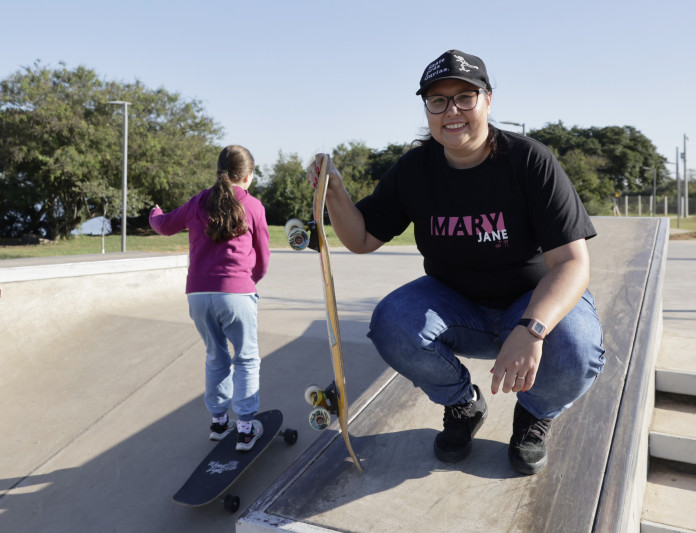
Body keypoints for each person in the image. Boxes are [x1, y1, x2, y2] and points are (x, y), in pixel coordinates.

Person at [307, 50, 606, 475]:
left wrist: (532, 329)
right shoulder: (414, 170)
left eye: (465, 97)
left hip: (529, 300)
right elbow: (362, 238)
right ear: (427, 109)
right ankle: (463, 404)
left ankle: (534, 414)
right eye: (438, 101)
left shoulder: (529, 160)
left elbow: (573, 263)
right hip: (456, 306)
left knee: (578, 349)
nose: (452, 111)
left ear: (488, 100)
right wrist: (335, 191)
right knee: (392, 322)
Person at [149, 145, 270, 452]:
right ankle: (245, 431)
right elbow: (263, 258)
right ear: (248, 176)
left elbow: (164, 226)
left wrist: (155, 213)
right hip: (237, 294)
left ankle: (219, 423)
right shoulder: (253, 206)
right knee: (246, 359)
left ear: (219, 172)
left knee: (216, 356)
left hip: (198, 295)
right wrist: (248, 283)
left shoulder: (198, 202)